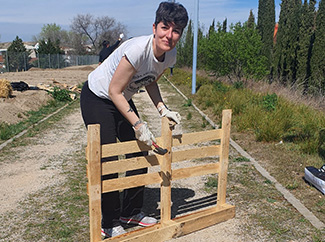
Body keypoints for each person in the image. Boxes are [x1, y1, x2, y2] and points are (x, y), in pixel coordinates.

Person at [80, 1, 188, 238]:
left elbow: (149, 78)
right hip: (98, 97)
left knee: (140, 152)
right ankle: (107, 221)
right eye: (165, 27)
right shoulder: (138, 49)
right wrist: (138, 124)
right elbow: (114, 92)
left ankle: (130, 212)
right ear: (154, 27)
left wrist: (162, 109)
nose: (169, 35)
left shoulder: (170, 55)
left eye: (176, 30)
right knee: (108, 158)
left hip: (119, 98)